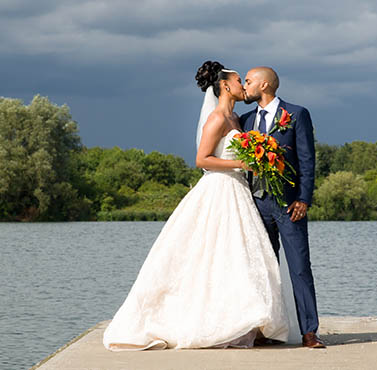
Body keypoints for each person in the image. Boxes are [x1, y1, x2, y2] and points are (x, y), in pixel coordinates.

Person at [101, 61, 290, 350]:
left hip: (239, 191)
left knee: (240, 257)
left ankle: (250, 321)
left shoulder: (238, 120)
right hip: (219, 190)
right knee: (213, 254)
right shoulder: (216, 119)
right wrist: (243, 163)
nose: (244, 85)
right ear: (225, 86)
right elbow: (202, 160)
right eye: (240, 80)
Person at [241, 66, 325, 348]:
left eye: (249, 81)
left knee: (300, 267)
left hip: (290, 206)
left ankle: (309, 332)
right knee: (264, 270)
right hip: (256, 205)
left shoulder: (297, 114)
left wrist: (304, 198)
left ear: (264, 85)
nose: (245, 86)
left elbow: (307, 160)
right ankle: (268, 329)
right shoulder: (246, 120)